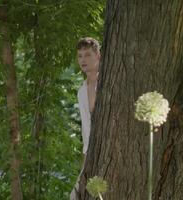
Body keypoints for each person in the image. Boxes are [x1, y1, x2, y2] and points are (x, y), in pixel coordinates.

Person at [70, 37, 100, 200]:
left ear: (98, 56)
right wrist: (84, 161)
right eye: (80, 56)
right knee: (75, 196)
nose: (83, 60)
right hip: (90, 152)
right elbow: (85, 129)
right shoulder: (81, 91)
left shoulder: (107, 82)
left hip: (110, 147)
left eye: (87, 55)